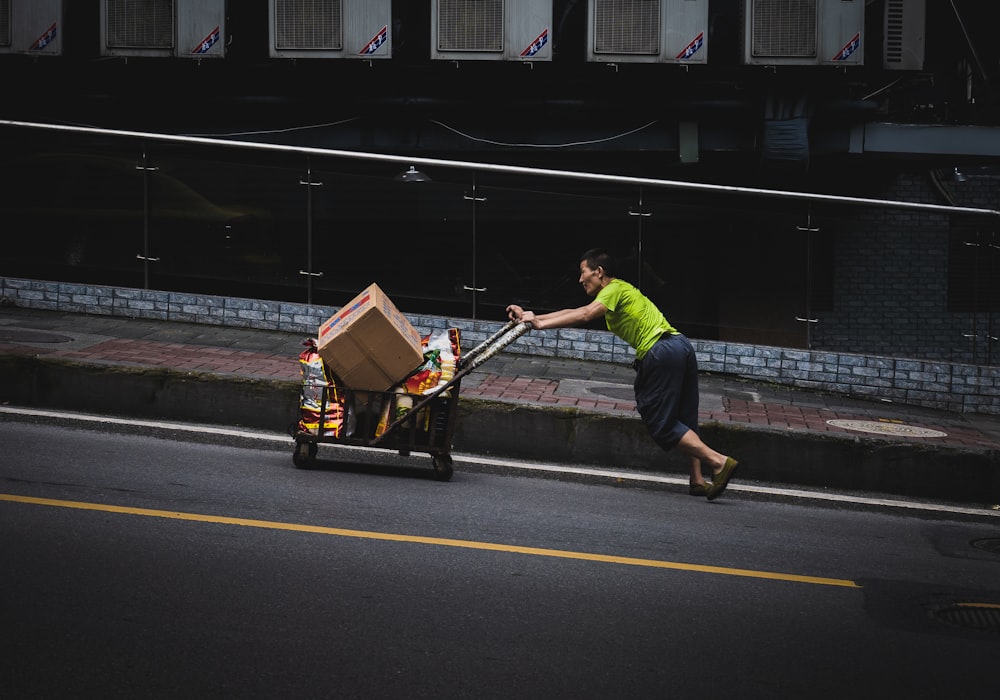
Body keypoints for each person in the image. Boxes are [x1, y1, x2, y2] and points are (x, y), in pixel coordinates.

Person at [506, 248, 740, 501]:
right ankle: (697, 479)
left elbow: (584, 315)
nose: (580, 279)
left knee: (658, 419)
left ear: (599, 271)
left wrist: (539, 324)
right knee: (683, 415)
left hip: (659, 351)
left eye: (583, 272)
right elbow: (575, 310)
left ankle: (718, 462)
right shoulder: (617, 291)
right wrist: (534, 318)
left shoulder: (614, 289)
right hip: (679, 346)